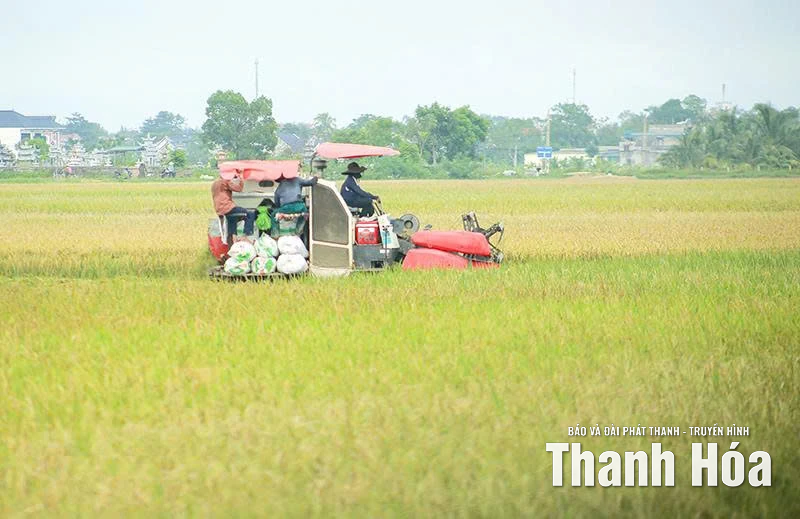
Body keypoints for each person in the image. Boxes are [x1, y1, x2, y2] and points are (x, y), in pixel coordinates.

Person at [211, 170, 256, 242]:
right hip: (227, 207)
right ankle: (246, 236)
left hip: (220, 210)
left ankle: (232, 241)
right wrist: (240, 177)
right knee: (250, 214)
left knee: (232, 220)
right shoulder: (225, 182)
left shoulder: (215, 183)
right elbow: (239, 189)